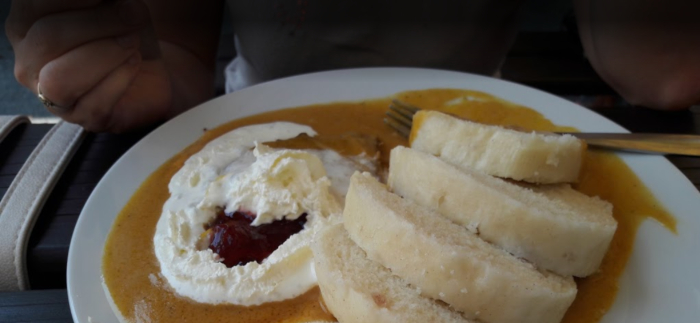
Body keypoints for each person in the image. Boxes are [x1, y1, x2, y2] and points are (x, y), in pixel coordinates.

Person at [6, 0, 700, 134]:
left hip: (460, 134)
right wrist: (133, 79)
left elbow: (659, 68)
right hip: (251, 131)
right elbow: (182, 58)